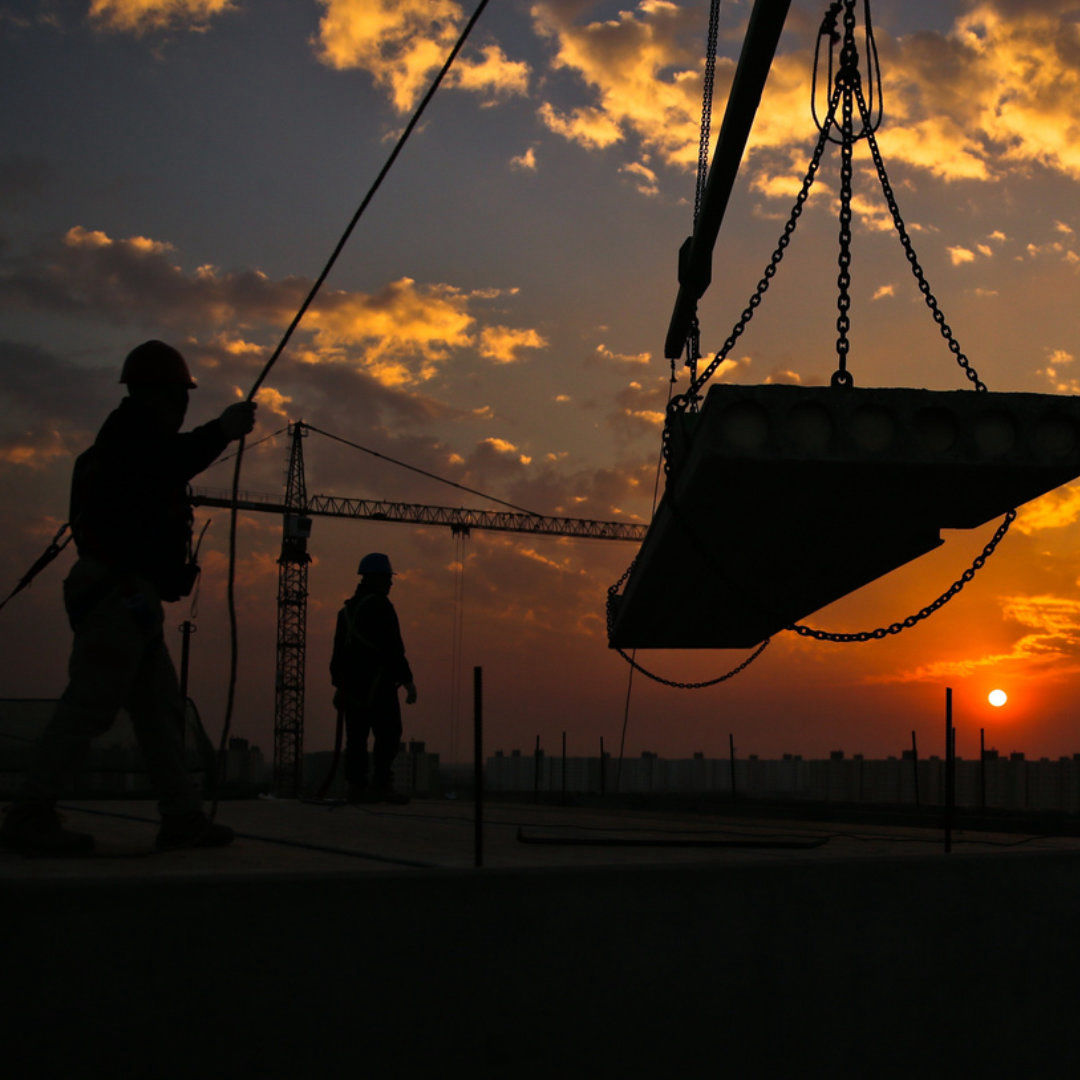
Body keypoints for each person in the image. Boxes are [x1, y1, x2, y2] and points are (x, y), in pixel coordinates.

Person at [0, 340, 257, 855]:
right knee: (91, 704)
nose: (182, 407)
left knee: (160, 709)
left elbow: (153, 483)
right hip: (116, 595)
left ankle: (182, 816)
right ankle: (30, 813)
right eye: (180, 397)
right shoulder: (132, 437)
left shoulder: (127, 440)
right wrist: (221, 432)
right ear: (162, 395)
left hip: (129, 597)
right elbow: (168, 464)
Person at [330, 552, 417, 804]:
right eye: (388, 578)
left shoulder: (344, 612)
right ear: (377, 578)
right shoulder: (381, 607)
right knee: (388, 734)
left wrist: (340, 686)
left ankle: (356, 787)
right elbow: (393, 649)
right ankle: (380, 785)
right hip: (379, 686)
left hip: (353, 688)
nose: (391, 583)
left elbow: (337, 655)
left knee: (356, 737)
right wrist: (408, 681)